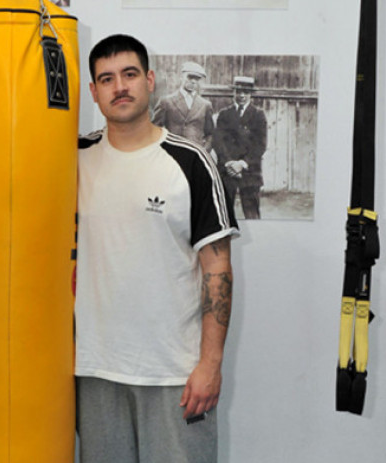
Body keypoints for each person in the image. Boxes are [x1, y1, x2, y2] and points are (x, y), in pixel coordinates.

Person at [75, 35, 238, 463]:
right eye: (106, 79)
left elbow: (217, 268)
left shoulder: (191, 162)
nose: (119, 87)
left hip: (175, 374)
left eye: (129, 74)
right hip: (95, 371)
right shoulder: (72, 157)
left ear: (150, 80)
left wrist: (210, 365)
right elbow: (15, 176)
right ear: (93, 92)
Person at [212, 76, 268, 219]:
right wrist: (229, 163)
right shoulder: (224, 114)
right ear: (234, 93)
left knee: (252, 214)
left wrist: (242, 164)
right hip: (227, 171)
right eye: (238, 91)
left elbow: (260, 145)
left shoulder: (258, 115)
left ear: (250, 94)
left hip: (250, 171)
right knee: (223, 214)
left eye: (245, 92)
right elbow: (218, 142)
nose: (242, 95)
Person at [152, 60, 215, 152]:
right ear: (181, 77)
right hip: (172, 154)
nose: (193, 81)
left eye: (197, 79)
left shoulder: (205, 105)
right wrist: (163, 149)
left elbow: (210, 134)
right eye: (190, 77)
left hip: (195, 155)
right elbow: (154, 130)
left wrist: (204, 151)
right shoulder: (167, 102)